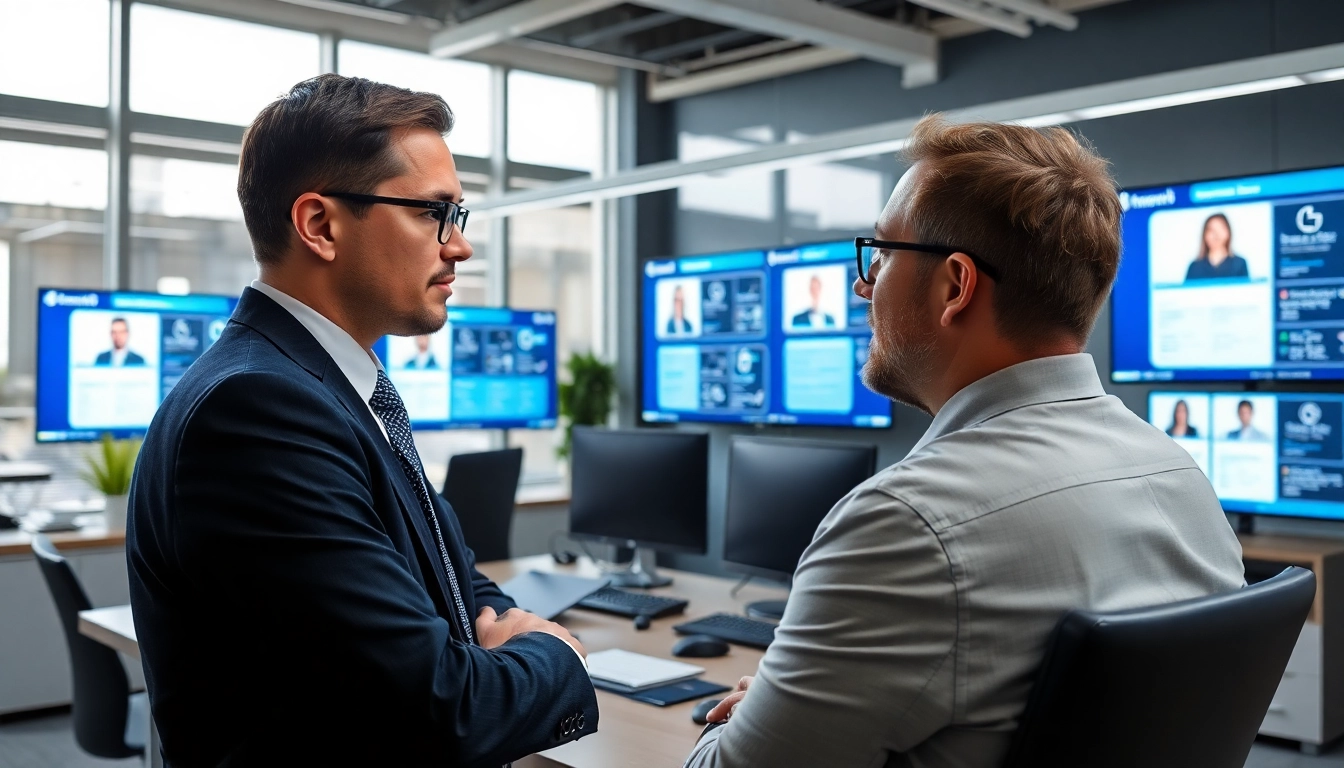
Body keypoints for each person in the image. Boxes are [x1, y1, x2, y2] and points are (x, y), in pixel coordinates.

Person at [684, 116, 1244, 768]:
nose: (864, 284)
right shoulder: (1184, 482)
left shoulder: (907, 525)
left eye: (884, 254)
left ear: (955, 286)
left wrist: (747, 721)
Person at [127, 75, 596, 767]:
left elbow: (452, 580)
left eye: (456, 216)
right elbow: (439, 711)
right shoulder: (257, 411)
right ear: (320, 225)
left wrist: (494, 642)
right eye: (433, 212)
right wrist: (554, 653)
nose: (458, 247)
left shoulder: (333, 390)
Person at [1184, 213, 1249, 281]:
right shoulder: (1195, 267)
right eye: (1212, 230)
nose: (1216, 234)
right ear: (1205, 235)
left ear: (1228, 232)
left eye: (1221, 228)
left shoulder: (1239, 263)